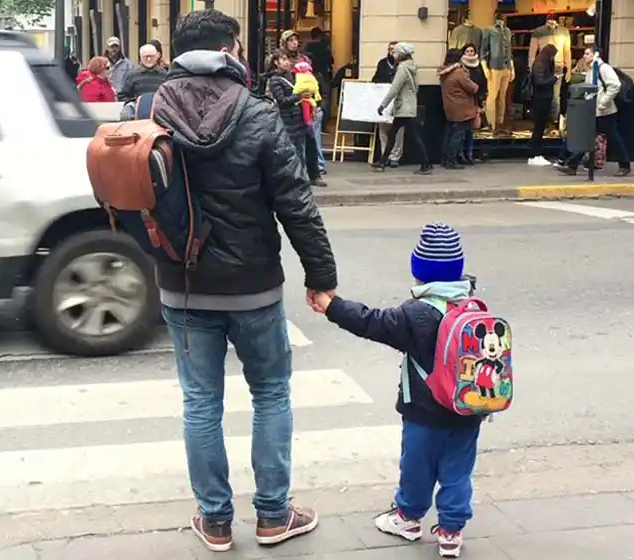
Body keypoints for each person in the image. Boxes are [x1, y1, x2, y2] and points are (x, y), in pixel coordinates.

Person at [151, 11, 337, 551]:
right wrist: (321, 276)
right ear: (231, 49)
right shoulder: (258, 113)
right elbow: (296, 203)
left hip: (180, 281)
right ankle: (274, 516)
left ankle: (214, 520)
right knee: (271, 393)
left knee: (201, 402)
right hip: (253, 285)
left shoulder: (148, 110)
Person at [310, 221, 482, 559]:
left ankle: (408, 517)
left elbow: (370, 321)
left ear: (419, 272)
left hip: (425, 412)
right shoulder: (472, 308)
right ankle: (451, 531)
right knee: (457, 471)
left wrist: (331, 305)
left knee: (417, 466)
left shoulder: (415, 314)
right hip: (467, 410)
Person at [557, 49, 631, 177]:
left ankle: (625, 165)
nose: (584, 56)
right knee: (587, 138)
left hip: (605, 112)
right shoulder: (591, 70)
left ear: (595, 54)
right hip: (594, 111)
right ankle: (572, 165)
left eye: (587, 53)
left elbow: (615, 85)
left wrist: (603, 102)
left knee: (613, 138)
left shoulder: (604, 68)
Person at [266, 50, 327, 187]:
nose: (287, 62)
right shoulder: (275, 80)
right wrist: (299, 97)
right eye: (283, 60)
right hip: (287, 119)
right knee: (293, 150)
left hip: (299, 118)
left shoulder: (292, 76)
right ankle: (294, 179)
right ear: (276, 63)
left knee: (304, 148)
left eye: (287, 59)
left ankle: (306, 176)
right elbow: (281, 100)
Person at [373, 42, 432, 174]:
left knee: (403, 136)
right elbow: (416, 88)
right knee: (398, 135)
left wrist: (383, 105)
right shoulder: (412, 67)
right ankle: (383, 162)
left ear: (401, 54)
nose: (394, 55)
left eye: (396, 53)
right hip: (410, 106)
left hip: (403, 108)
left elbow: (395, 88)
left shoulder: (402, 69)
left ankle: (425, 163)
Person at [439, 49, 479, 170]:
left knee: (450, 133)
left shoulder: (444, 72)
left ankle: (445, 159)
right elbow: (472, 88)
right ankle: (451, 161)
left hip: (450, 107)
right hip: (461, 108)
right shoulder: (459, 72)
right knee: (457, 135)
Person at [372, 41, 405, 168]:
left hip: (398, 100)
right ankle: (385, 154)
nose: (392, 52)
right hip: (384, 97)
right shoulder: (383, 63)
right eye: (390, 49)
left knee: (399, 130)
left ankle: (395, 156)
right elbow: (375, 78)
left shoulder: (403, 65)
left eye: (394, 49)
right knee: (383, 128)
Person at [528, 44, 558, 167]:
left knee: (540, 128)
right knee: (538, 128)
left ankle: (536, 154)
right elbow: (539, 82)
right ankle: (534, 154)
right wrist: (554, 79)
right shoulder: (539, 65)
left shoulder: (543, 64)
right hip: (540, 99)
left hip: (543, 99)